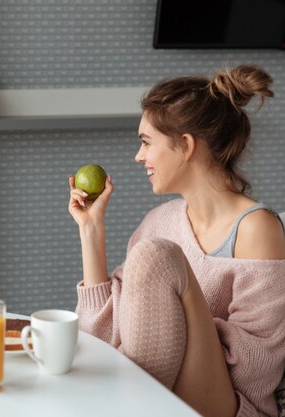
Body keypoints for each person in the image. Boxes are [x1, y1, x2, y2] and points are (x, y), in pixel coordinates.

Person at [68, 65, 285, 417]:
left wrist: (177, 322)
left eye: (146, 142)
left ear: (184, 145)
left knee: (155, 255)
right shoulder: (159, 221)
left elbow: (259, 370)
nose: (139, 156)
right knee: (153, 252)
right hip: (159, 397)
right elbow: (106, 337)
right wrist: (91, 231)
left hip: (229, 405)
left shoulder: (256, 228)